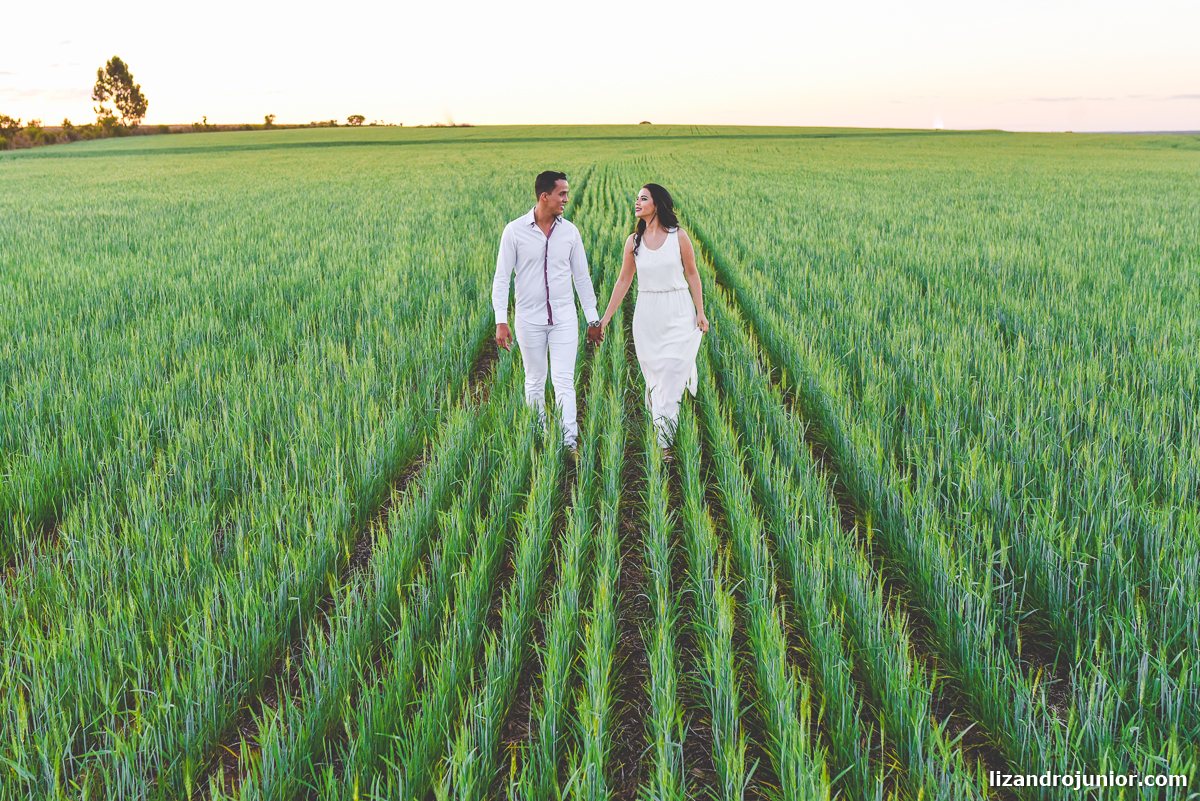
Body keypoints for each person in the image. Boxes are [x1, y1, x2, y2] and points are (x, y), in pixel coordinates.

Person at [493, 170, 603, 450]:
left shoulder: (570, 232)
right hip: (528, 320)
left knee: (564, 381)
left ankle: (569, 444)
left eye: (567, 193)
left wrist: (593, 319)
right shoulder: (514, 231)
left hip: (564, 319)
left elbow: (582, 278)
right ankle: (539, 440)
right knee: (534, 381)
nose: (566, 199)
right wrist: (500, 321)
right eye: (561, 194)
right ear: (544, 196)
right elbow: (502, 278)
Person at [599, 183, 709, 453]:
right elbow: (624, 281)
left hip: (678, 309)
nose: (637, 202)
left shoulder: (678, 236)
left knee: (672, 372)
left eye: (643, 198)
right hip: (648, 315)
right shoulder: (633, 241)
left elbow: (692, 273)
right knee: (656, 378)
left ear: (657, 204)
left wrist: (700, 311)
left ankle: (664, 444)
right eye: (637, 198)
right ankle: (662, 429)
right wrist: (605, 318)